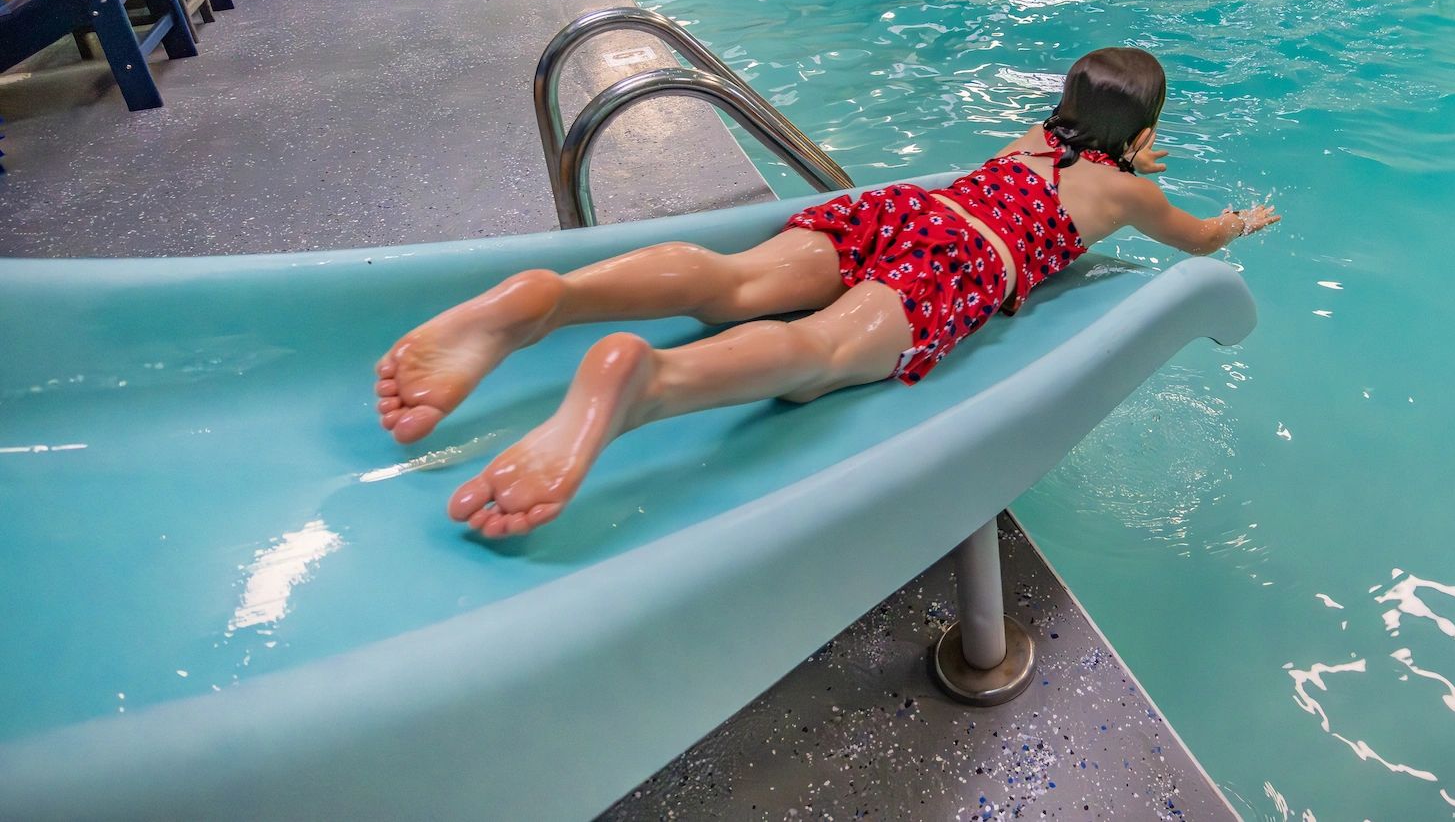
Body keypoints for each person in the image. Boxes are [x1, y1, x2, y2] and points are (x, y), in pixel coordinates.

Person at [373, 47, 1280, 538]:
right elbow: (1194, 236)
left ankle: (551, 294)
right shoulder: (1131, 189)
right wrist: (1239, 221)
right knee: (816, 355)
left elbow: (1084, 152)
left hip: (907, 210)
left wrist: (1121, 146)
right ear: (1144, 135)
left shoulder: (1036, 136)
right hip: (963, 261)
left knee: (735, 283)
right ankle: (644, 379)